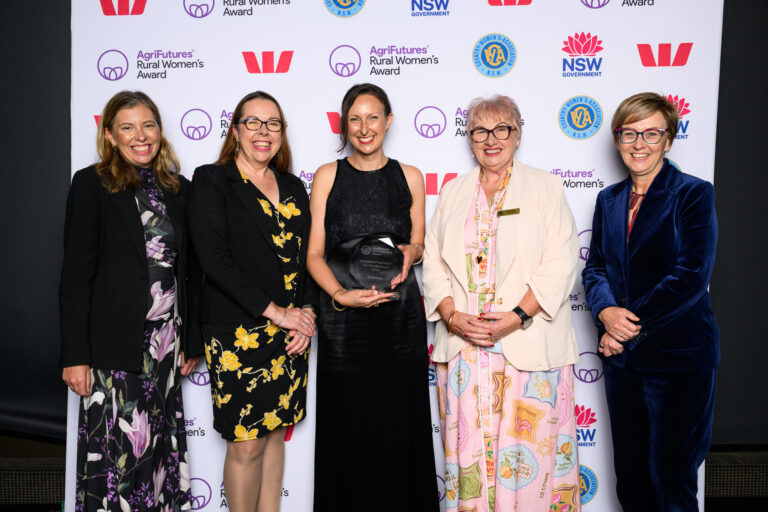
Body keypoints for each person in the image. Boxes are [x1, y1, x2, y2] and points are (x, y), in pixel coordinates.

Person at [423, 95, 581, 512]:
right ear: (469, 139)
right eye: (480, 131)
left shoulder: (546, 187)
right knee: (470, 465)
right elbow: (433, 262)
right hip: (465, 352)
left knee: (533, 465)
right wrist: (451, 316)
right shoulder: (453, 192)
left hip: (529, 347)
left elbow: (562, 260)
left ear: (518, 134)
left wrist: (517, 316)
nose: (490, 139)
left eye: (501, 129)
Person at [60, 90, 202, 511]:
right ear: (110, 135)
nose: (141, 136)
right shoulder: (92, 184)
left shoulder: (178, 189)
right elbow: (75, 275)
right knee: (119, 456)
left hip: (165, 346)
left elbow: (192, 272)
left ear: (160, 130)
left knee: (157, 453)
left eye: (148, 125)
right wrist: (75, 355)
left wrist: (191, 339)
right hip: (113, 346)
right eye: (127, 127)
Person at [582, 92, 719, 511]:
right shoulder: (609, 199)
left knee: (671, 482)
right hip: (623, 364)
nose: (639, 143)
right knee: (632, 483)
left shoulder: (693, 194)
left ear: (668, 140)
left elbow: (691, 276)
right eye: (629, 133)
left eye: (651, 133)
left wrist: (622, 329)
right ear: (617, 139)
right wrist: (605, 312)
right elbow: (596, 267)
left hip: (678, 360)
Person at [307, 83, 438, 511]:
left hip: (399, 317)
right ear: (345, 125)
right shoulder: (328, 175)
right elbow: (314, 254)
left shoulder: (411, 176)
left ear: (389, 121)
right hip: (343, 319)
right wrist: (339, 295)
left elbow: (418, 244)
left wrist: (413, 251)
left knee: (400, 419)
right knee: (348, 420)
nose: (364, 128)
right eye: (355, 119)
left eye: (373, 117)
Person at [188, 91, 315, 512]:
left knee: (276, 432)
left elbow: (308, 257)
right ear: (236, 130)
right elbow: (214, 260)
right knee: (246, 443)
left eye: (273, 123)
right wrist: (279, 314)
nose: (264, 132)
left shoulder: (293, 186)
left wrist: (306, 317)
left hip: (290, 333)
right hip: (237, 332)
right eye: (253, 122)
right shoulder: (212, 180)